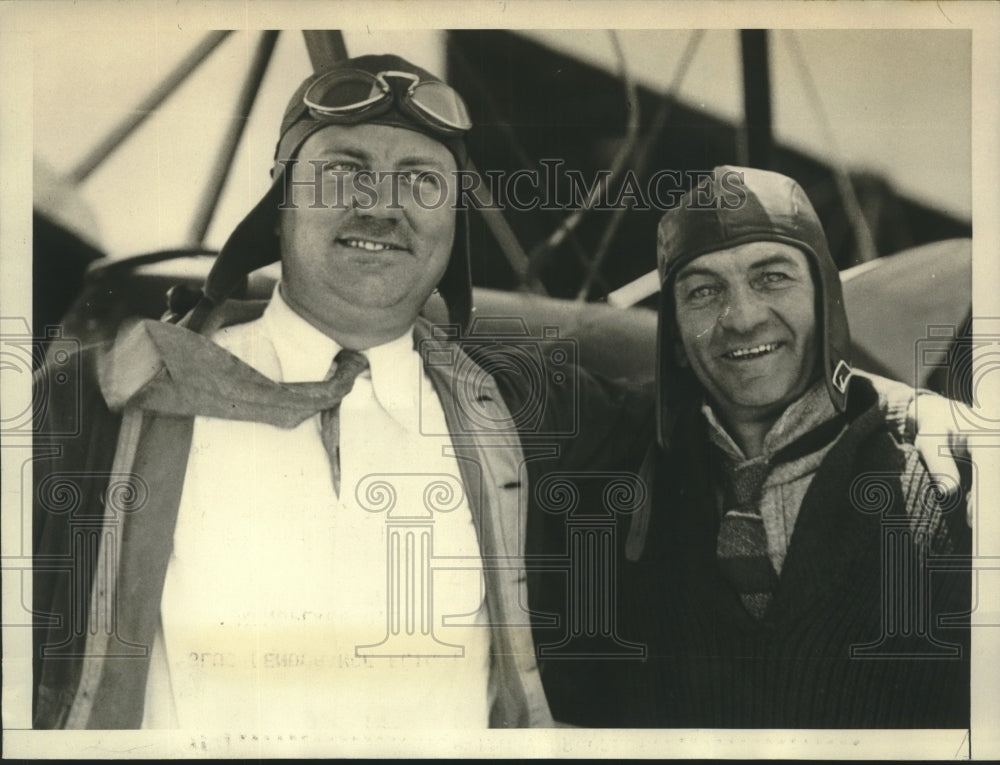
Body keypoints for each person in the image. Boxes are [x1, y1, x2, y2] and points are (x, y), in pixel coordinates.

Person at [31, 55, 968, 731]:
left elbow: (722, 386)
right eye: (344, 172)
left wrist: (914, 414)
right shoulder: (106, 402)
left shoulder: (510, 411)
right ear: (278, 206)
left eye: (421, 184)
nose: (382, 206)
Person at [614, 166, 971, 728]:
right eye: (703, 292)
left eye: (772, 277)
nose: (742, 319)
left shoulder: (949, 473)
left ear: (826, 297)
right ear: (675, 336)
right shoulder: (634, 479)